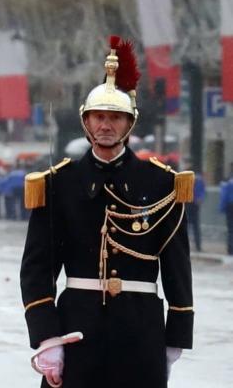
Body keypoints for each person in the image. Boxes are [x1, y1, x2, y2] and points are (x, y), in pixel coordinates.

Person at [20, 37, 192, 388]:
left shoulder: (162, 183)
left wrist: (175, 335)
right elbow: (37, 269)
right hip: (76, 329)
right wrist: (47, 337)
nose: (106, 125)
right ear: (86, 121)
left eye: (115, 117)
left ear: (129, 124)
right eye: (99, 116)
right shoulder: (59, 184)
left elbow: (177, 265)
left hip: (140, 331)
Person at [189, 172, 205, 253]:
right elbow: (202, 192)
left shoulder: (197, 180)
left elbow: (202, 192)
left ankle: (197, 245)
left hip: (192, 204)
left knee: (192, 226)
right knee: (195, 226)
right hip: (192, 204)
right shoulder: (199, 180)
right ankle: (197, 246)